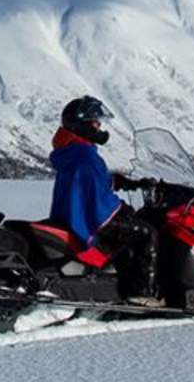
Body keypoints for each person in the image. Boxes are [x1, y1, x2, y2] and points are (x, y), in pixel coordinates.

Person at [48, 95, 160, 304]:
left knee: (131, 228)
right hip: (89, 219)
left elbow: (94, 183)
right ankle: (142, 293)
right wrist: (120, 208)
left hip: (71, 215)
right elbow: (97, 200)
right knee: (147, 233)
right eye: (95, 122)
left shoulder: (70, 151)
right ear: (82, 124)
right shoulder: (85, 156)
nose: (99, 127)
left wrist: (128, 183)